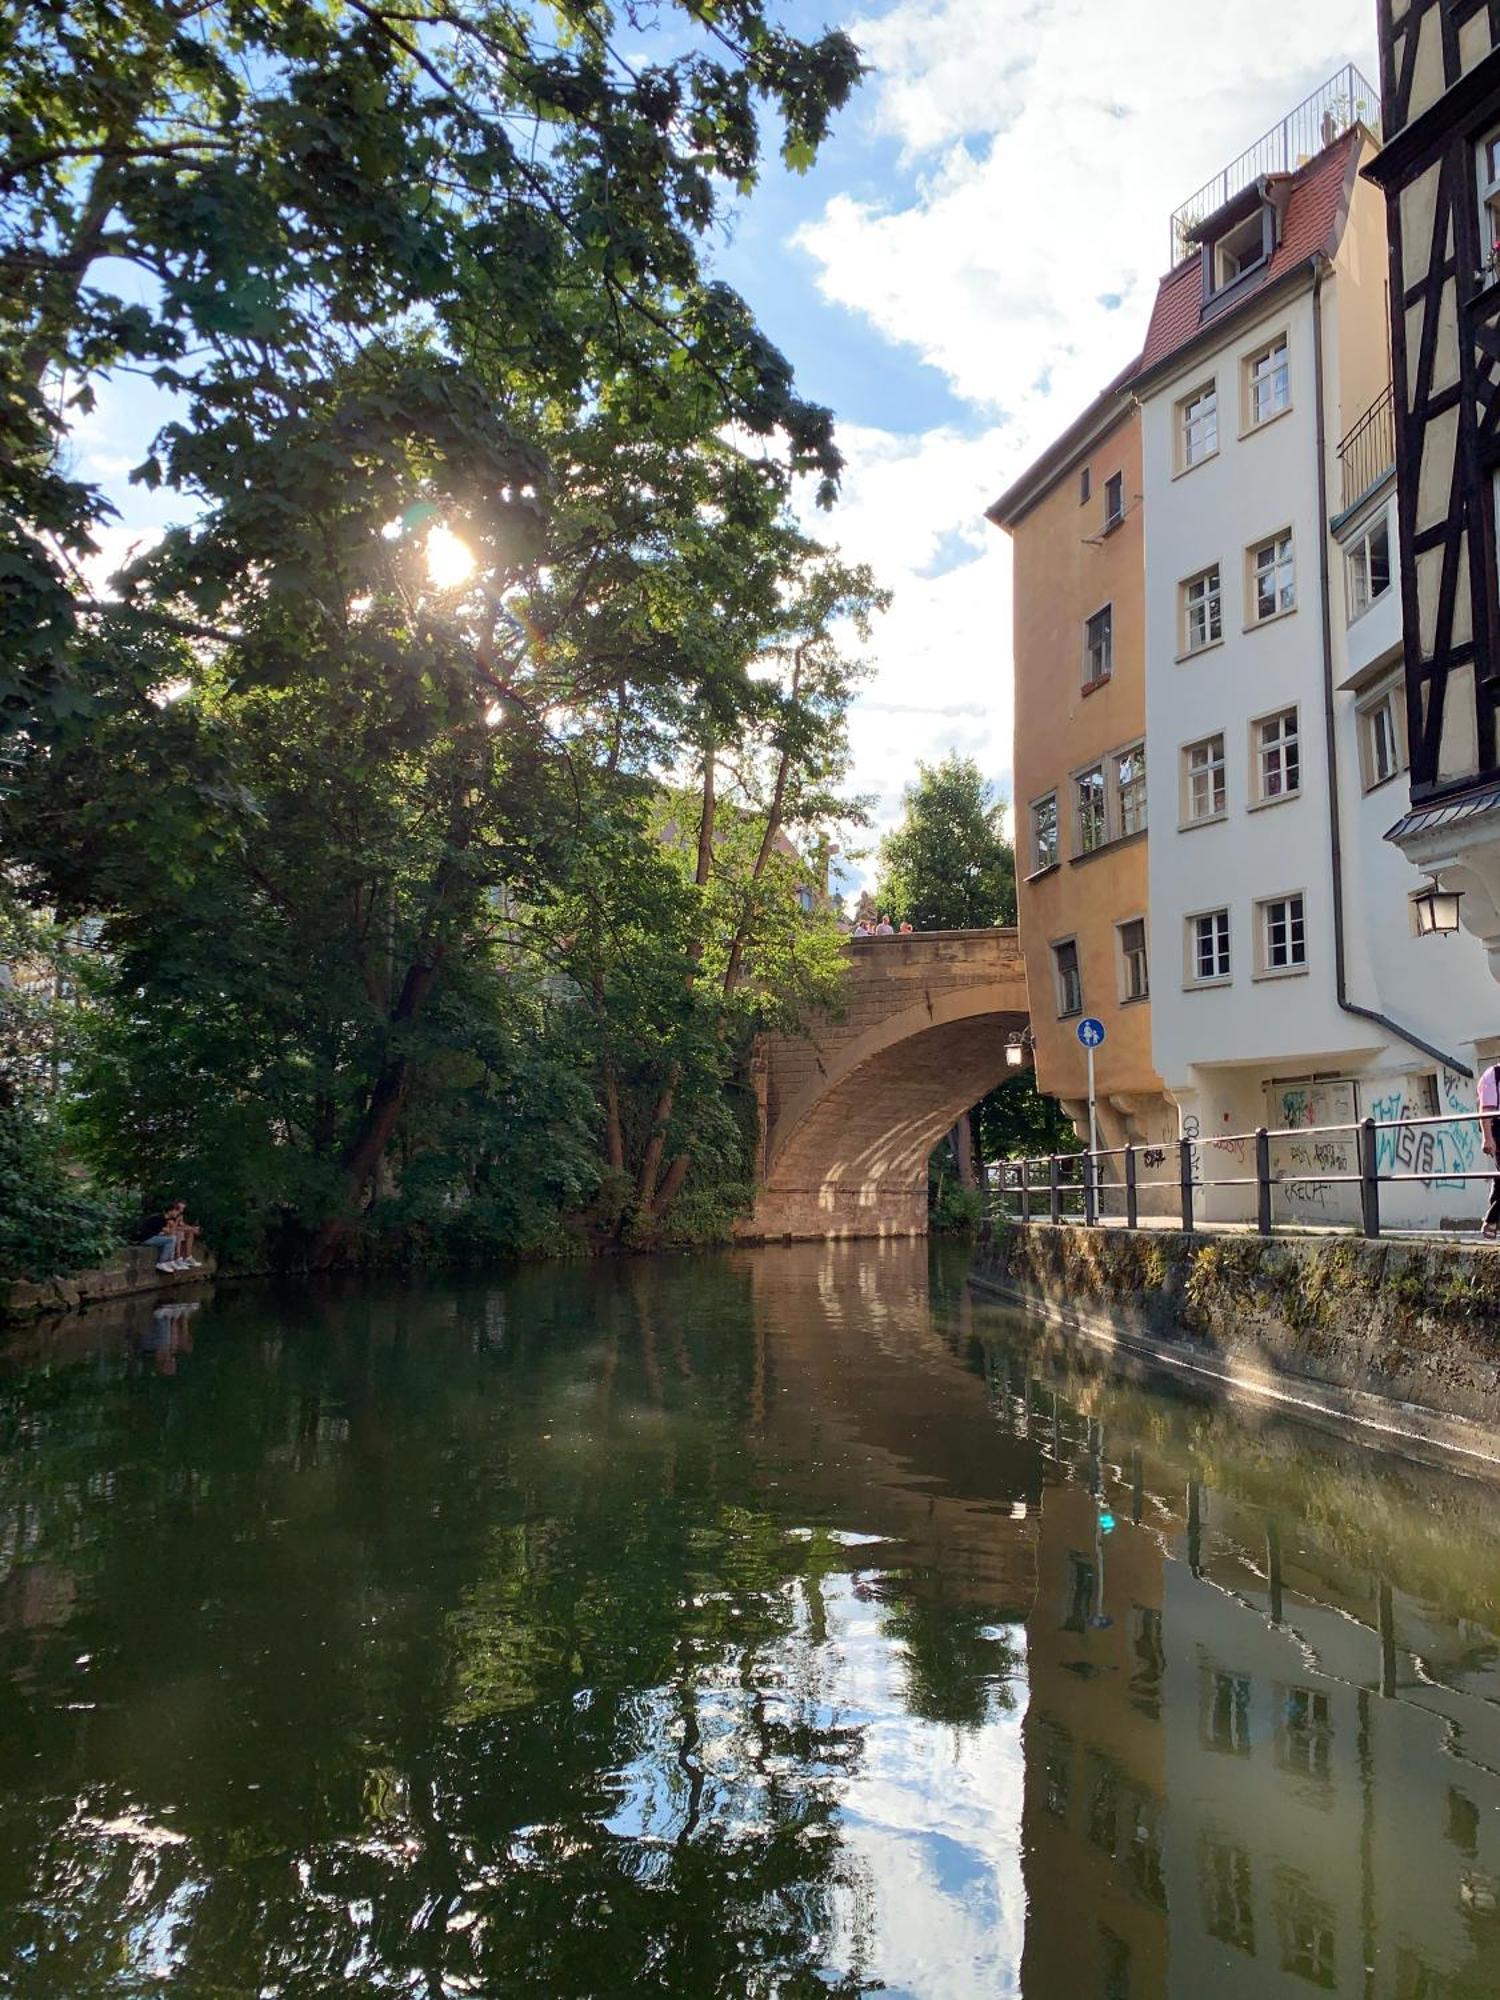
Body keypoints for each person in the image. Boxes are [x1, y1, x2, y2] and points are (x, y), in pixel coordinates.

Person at [1481, 1060, 1500, 1236]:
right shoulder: (1492, 1075)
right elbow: (1486, 1111)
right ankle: (1491, 1220)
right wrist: (1488, 1138)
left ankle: (1491, 1222)